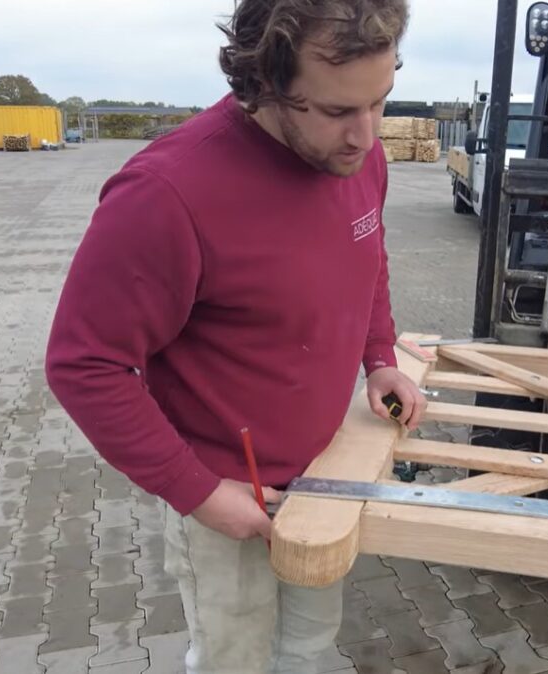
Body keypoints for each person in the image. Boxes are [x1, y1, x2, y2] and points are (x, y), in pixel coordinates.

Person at [44, 1, 425, 671]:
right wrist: (195, 490)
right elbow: (85, 364)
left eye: (380, 101)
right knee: (234, 659)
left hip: (325, 475)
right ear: (266, 83)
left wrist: (379, 356)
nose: (365, 136)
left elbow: (367, 255)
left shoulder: (358, 160)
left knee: (306, 649)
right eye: (337, 110)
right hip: (227, 492)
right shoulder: (167, 193)